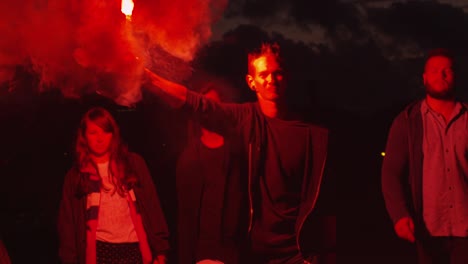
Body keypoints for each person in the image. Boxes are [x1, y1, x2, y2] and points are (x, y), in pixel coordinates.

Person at [144, 43, 335, 263]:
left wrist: (325, 256)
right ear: (251, 82)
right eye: (263, 74)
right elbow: (196, 104)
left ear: (286, 77)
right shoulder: (244, 120)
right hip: (250, 255)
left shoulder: (312, 136)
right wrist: (149, 79)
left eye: (277, 73)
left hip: (297, 256)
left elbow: (326, 207)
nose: (271, 80)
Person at [382, 48, 468, 264]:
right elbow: (391, 173)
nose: (441, 75)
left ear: (455, 75)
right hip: (426, 231)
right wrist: (399, 214)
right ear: (424, 78)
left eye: (447, 70)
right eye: (435, 70)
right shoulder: (407, 122)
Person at [58, 107, 169, 264]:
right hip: (99, 252)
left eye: (105, 131)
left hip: (134, 249)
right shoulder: (76, 176)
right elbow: (67, 226)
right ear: (84, 136)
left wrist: (161, 251)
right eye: (93, 133)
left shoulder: (133, 164)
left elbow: (152, 206)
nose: (100, 138)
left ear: (113, 134)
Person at [175, 77, 247, 264]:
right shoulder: (189, 158)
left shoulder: (239, 152)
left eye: (214, 104)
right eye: (205, 105)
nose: (210, 110)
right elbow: (185, 216)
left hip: (232, 253)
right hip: (200, 253)